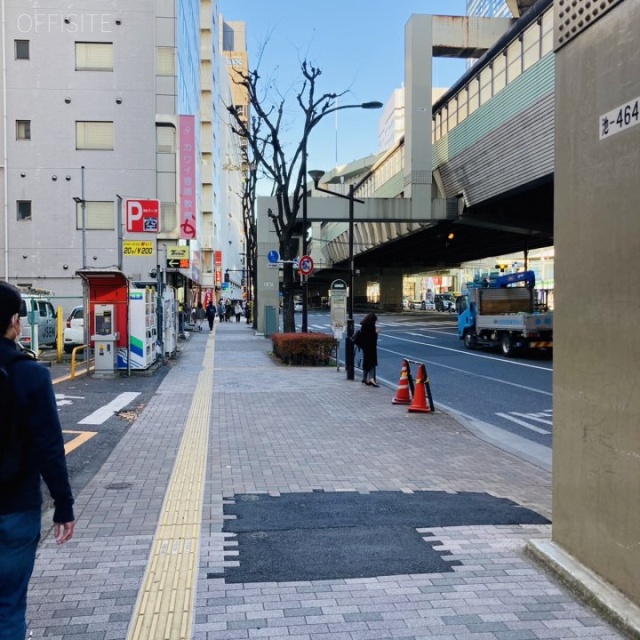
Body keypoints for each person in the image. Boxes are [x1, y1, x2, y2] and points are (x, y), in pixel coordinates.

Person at [0, 282, 75, 640]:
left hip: (18, 508)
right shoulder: (29, 373)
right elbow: (49, 445)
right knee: (9, 606)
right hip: (16, 506)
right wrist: (63, 504)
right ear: (14, 321)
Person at [358, 312, 380, 387]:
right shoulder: (371, 327)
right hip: (371, 347)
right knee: (372, 363)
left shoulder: (363, 326)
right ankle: (371, 379)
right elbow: (372, 338)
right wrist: (376, 333)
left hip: (364, 347)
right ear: (372, 320)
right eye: (375, 321)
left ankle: (364, 378)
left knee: (366, 362)